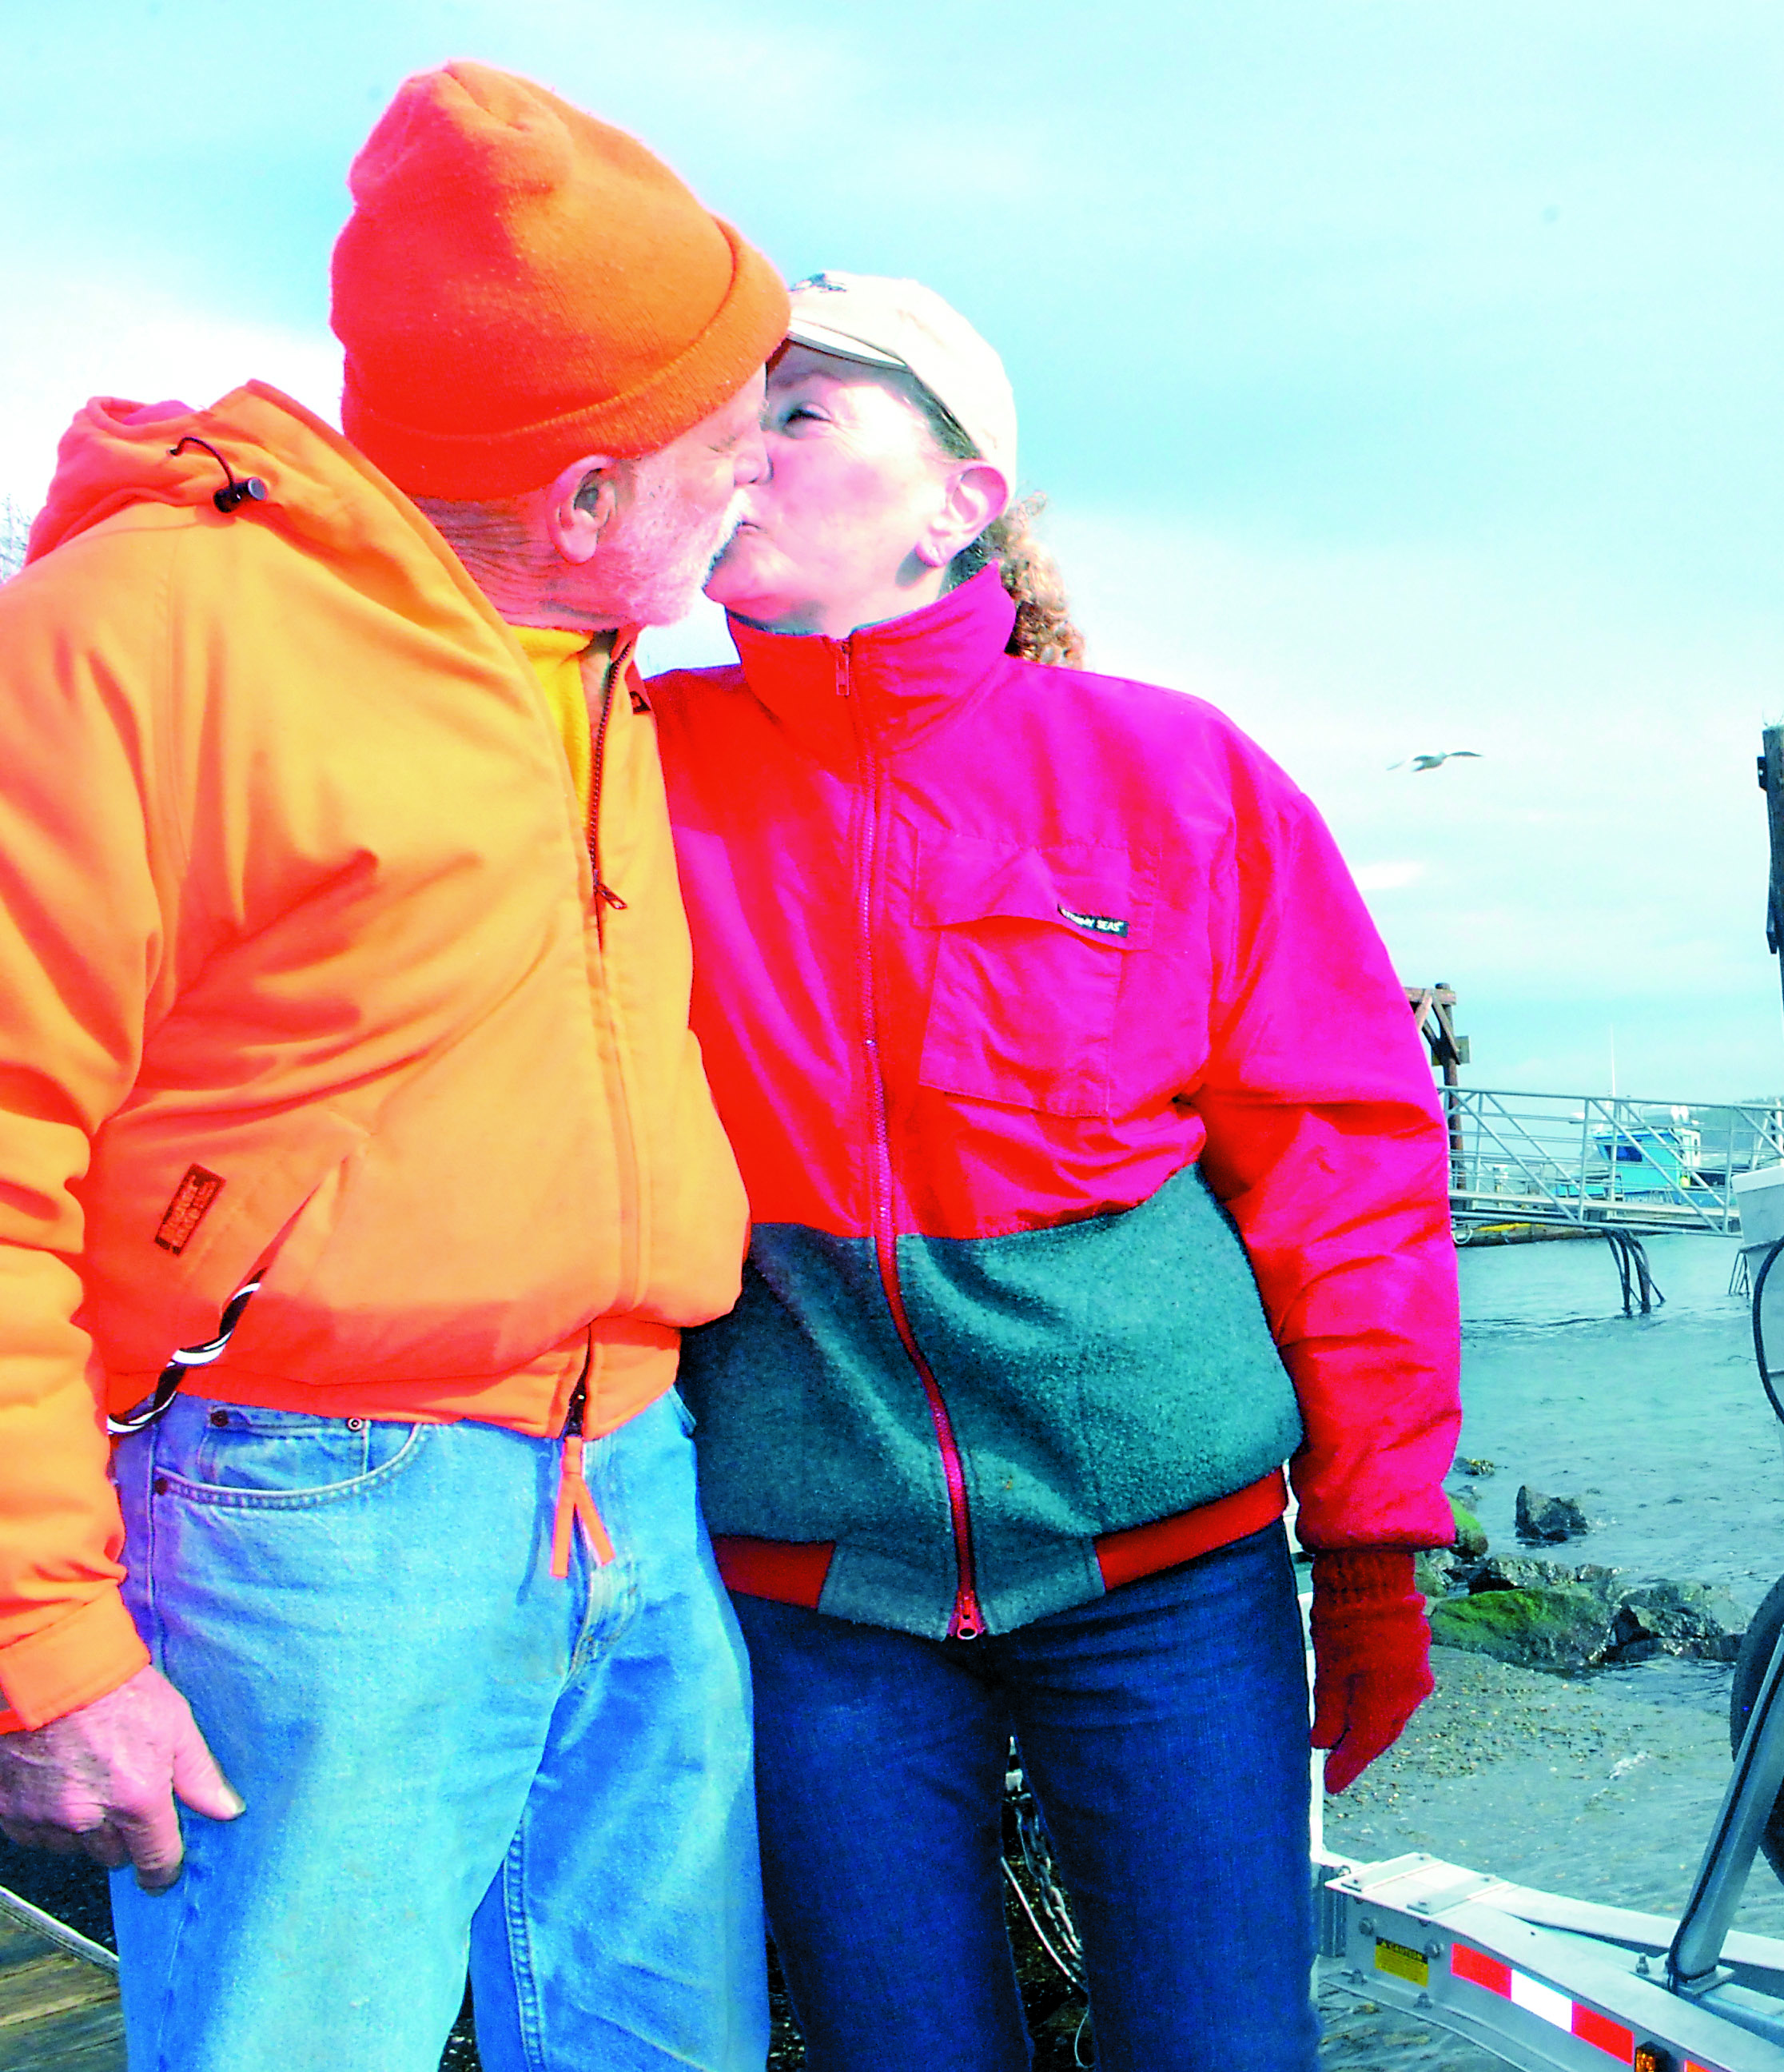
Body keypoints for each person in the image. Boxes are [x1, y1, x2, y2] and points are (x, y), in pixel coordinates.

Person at [0, 64, 786, 2071]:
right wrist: (45, 1645)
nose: (759, 482)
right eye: (726, 446)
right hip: (301, 1510)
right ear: (582, 494)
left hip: (638, 1473)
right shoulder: (141, 634)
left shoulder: (601, 648)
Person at [653, 273, 1462, 2072]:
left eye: (798, 414)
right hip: (814, 1587)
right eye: (725, 421)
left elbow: (1346, 1170)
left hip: (1168, 1580)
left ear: (960, 504)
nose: (743, 456)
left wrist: (1378, 1541)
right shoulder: (630, 770)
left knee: (1224, 2051)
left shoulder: (1175, 777)